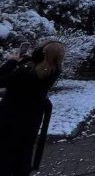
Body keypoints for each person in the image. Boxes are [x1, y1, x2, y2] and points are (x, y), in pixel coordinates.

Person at [0, 41, 65, 176]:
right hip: (32, 118)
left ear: (42, 53)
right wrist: (25, 59)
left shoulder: (23, 74)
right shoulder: (54, 70)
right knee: (24, 151)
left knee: (6, 153)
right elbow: (38, 65)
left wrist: (11, 62)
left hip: (10, 117)